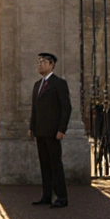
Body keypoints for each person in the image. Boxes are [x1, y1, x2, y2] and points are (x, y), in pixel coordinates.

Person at [30, 52, 71, 208]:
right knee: (44, 165)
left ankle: (61, 197)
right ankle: (46, 195)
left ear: (52, 64)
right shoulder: (37, 85)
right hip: (40, 131)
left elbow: (66, 108)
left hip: (54, 132)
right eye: (39, 61)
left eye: (44, 62)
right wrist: (32, 127)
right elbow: (35, 109)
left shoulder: (59, 83)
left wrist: (62, 129)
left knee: (55, 165)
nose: (40, 64)